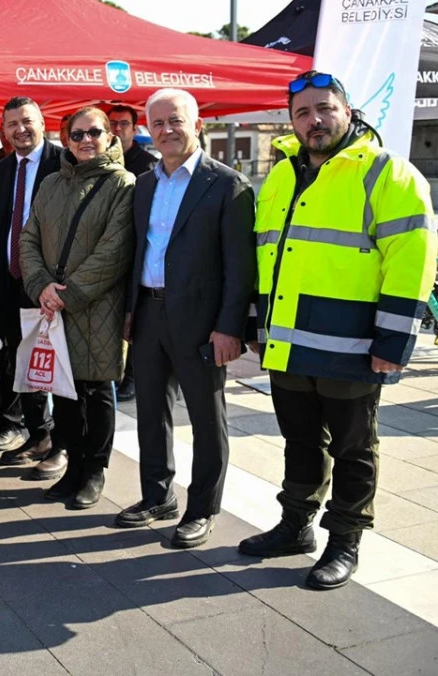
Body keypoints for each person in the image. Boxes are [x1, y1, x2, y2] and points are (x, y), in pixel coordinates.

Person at [238, 71, 438, 590]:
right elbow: (267, 257)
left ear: (348, 111)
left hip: (353, 345)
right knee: (299, 441)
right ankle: (296, 525)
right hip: (289, 342)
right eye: (302, 112)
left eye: (325, 108)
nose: (314, 120)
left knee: (354, 448)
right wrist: (259, 324)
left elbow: (412, 259)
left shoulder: (386, 172)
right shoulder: (282, 174)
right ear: (291, 120)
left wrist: (393, 342)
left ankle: (345, 539)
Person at [116, 89, 256, 548]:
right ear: (147, 130)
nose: (167, 130)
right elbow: (140, 253)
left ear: (197, 124)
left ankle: (202, 508)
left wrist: (229, 327)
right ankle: (158, 496)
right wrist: (131, 314)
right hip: (150, 314)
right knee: (150, 412)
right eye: (157, 123)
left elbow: (240, 268)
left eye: (175, 120)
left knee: (206, 419)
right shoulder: (146, 185)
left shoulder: (227, 184)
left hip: (201, 321)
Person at [19, 105, 135, 509]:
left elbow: (115, 250)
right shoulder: (51, 183)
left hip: (97, 304)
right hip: (54, 304)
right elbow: (28, 237)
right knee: (64, 390)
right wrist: (40, 286)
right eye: (78, 134)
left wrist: (65, 293)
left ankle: (95, 470)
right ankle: (73, 465)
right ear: (65, 139)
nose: (87, 140)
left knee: (97, 388)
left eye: (95, 133)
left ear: (110, 136)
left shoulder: (123, 183)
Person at [0, 97, 61, 476]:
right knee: (23, 360)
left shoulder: (62, 162)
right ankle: (38, 433)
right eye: (11, 124)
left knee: (55, 361)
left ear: (42, 122)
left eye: (26, 121)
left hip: (50, 283)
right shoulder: (0, 172)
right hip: (10, 282)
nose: (19, 130)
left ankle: (62, 444)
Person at [109, 104, 159, 403]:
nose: (117, 129)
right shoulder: (101, 160)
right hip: (111, 251)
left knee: (135, 318)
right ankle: (118, 373)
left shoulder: (147, 164)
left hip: (138, 251)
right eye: (112, 123)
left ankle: (132, 378)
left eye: (123, 124)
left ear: (134, 127)